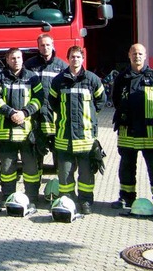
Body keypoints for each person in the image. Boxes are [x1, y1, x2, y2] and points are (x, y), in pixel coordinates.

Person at [111, 43, 153, 213]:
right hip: (127, 129)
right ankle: (126, 197)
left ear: (145, 56)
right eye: (134, 53)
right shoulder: (122, 77)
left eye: (140, 53)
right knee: (127, 165)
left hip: (150, 131)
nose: (137, 56)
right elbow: (116, 100)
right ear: (129, 55)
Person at [47, 46, 106, 215]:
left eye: (78, 57)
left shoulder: (92, 80)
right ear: (68, 58)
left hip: (86, 138)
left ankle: (86, 201)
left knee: (86, 175)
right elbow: (53, 103)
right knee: (65, 174)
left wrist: (90, 117)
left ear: (83, 58)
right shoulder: (59, 80)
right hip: (64, 136)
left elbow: (101, 101)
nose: (75, 60)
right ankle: (68, 201)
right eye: (72, 57)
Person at [0, 48, 44, 208]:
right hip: (6, 133)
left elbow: (39, 99)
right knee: (6, 169)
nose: (16, 60)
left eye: (19, 57)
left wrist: (25, 112)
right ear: (7, 59)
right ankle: (8, 197)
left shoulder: (32, 78)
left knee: (31, 168)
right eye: (13, 58)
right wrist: (11, 112)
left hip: (27, 133)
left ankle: (32, 198)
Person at [24, 34, 67, 171]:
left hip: (55, 116)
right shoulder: (29, 65)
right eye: (42, 45)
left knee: (59, 151)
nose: (45, 47)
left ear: (52, 45)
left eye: (48, 45)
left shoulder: (61, 66)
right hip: (35, 116)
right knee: (36, 150)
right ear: (38, 47)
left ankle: (61, 181)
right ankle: (35, 182)